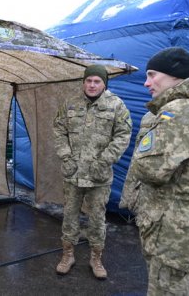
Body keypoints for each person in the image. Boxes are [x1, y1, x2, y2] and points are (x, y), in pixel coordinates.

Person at [120, 47, 189, 295]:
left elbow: (150, 169)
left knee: (166, 289)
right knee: (187, 288)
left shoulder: (177, 111)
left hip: (173, 232)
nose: (147, 83)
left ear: (175, 75)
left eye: (152, 74)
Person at [53, 64, 132, 279]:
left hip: (99, 176)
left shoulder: (116, 105)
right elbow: (59, 129)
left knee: (97, 219)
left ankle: (96, 258)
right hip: (73, 173)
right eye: (88, 81)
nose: (92, 85)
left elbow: (123, 135)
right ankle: (67, 254)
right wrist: (66, 156)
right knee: (69, 216)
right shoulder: (71, 103)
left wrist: (104, 161)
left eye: (97, 81)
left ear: (104, 83)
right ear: (83, 82)